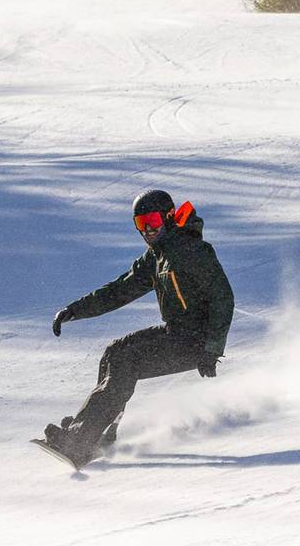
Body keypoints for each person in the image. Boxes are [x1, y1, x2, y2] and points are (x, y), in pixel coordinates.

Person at [36, 189, 235, 470]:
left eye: (152, 221)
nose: (148, 230)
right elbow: (120, 290)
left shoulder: (193, 251)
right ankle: (101, 435)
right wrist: (75, 311)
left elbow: (223, 297)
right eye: (141, 224)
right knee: (113, 353)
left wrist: (212, 349)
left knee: (125, 362)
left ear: (168, 217)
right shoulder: (156, 257)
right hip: (176, 333)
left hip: (196, 342)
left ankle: (80, 442)